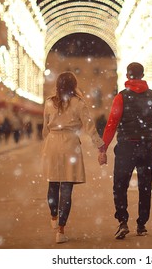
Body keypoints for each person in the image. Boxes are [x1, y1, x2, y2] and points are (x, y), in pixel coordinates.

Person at [102, 62, 152, 239]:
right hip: (145, 147)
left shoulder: (121, 97)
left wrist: (104, 148)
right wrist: (150, 142)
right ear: (143, 75)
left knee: (120, 186)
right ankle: (142, 224)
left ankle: (123, 222)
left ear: (127, 76)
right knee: (145, 186)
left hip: (125, 147)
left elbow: (112, 124)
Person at [41, 71, 106, 244]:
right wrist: (100, 146)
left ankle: (53, 216)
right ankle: (61, 231)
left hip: (52, 143)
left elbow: (44, 129)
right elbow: (89, 127)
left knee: (52, 183)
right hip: (70, 145)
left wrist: (48, 140)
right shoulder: (79, 103)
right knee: (66, 188)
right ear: (73, 85)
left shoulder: (49, 102)